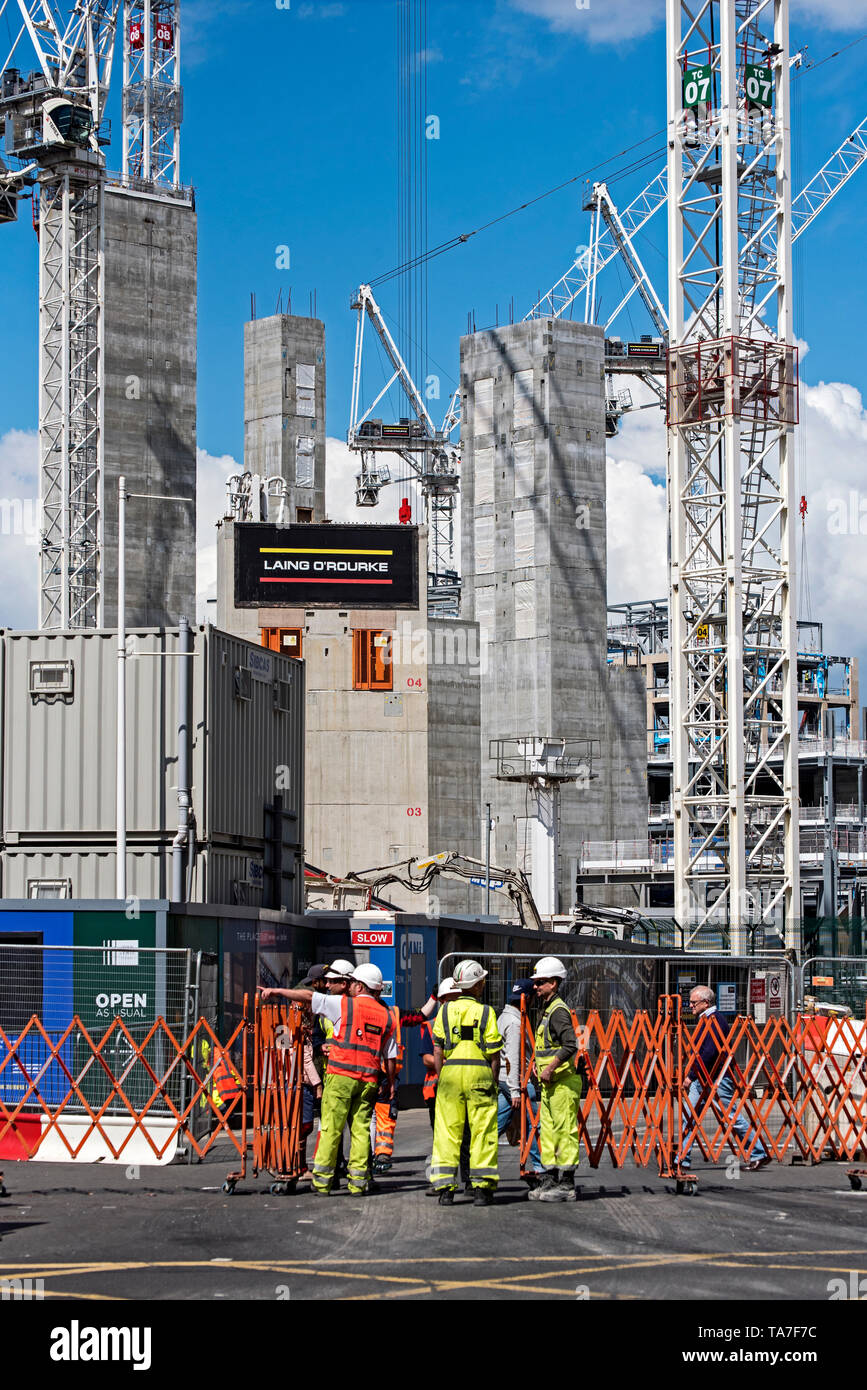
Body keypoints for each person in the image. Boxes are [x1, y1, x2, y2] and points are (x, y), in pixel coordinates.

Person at [259, 962, 397, 1196]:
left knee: (332, 1129)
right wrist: (391, 1083)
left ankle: (322, 1182)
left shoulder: (344, 1005)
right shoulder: (387, 1016)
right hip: (369, 1081)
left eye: (354, 983)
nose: (350, 986)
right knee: (361, 1130)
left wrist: (276, 991)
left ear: (361, 986)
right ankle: (358, 1183)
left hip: (341, 1076)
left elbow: (307, 997)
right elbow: (390, 1056)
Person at [430, 959, 503, 1207]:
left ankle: (445, 1191)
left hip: (450, 1074)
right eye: (482, 980)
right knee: (482, 1132)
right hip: (479, 1073)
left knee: (447, 1132)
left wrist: (442, 1078)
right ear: (477, 985)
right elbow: (494, 1053)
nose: (484, 984)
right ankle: (482, 1190)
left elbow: (437, 1050)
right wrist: (493, 1081)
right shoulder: (486, 1012)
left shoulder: (445, 1010)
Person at [676, 985, 771, 1173]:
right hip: (704, 1078)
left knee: (731, 1117)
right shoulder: (706, 1020)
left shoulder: (715, 1021)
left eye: (694, 1002)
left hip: (716, 1077)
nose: (690, 1005)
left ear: (706, 1002)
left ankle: (758, 1153)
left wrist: (691, 1075)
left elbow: (709, 1053)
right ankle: (682, 1159)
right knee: (689, 1117)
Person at [528, 956, 585, 1203]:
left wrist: (550, 1068)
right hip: (551, 1085)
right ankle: (551, 1178)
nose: (536, 986)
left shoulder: (558, 1011)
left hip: (562, 1083)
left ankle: (567, 1183)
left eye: (540, 982)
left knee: (565, 1132)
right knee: (550, 1133)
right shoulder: (548, 1009)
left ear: (553, 982)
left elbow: (570, 1045)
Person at [371, 989, 439, 1174]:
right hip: (370, 1072)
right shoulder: (361, 1010)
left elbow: (419, 1016)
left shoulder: (393, 1013)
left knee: (384, 1116)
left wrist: (433, 997)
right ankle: (370, 1156)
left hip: (385, 1075)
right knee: (368, 1118)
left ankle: (381, 1155)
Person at [420, 977, 470, 1196]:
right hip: (437, 1090)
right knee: (441, 1139)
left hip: (463, 1086)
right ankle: (441, 1181)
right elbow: (427, 1058)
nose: (454, 1003)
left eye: (457, 998)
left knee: (466, 1138)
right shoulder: (431, 1026)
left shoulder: (466, 1022)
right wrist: (446, 1063)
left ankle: (468, 1181)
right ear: (441, 1001)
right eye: (450, 999)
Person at [497, 979, 544, 1189]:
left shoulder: (505, 1017)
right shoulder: (515, 1023)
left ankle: (472, 1151)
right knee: (534, 1123)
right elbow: (512, 1059)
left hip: (505, 1079)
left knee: (499, 1120)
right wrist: (516, 1090)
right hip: (514, 1081)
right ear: (527, 998)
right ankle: (539, 1168)